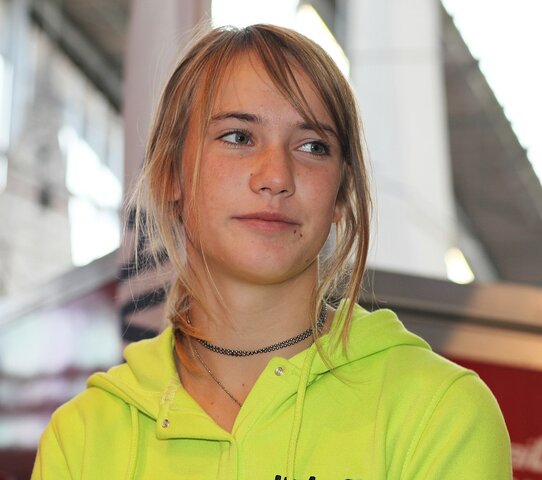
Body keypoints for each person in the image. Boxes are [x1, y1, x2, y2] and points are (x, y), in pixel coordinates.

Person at [32, 24, 512, 479]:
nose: (277, 177)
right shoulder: (83, 438)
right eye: (238, 137)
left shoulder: (438, 411)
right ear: (170, 174)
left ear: (341, 194)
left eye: (313, 146)